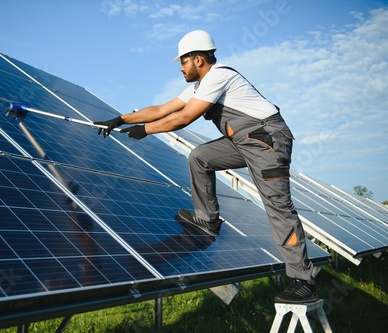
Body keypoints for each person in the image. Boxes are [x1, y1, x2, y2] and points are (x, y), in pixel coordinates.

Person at [94, 30, 318, 304]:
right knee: (200, 156)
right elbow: (164, 108)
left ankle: (303, 280)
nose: (180, 67)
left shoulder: (219, 76)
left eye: (183, 61)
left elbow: (184, 117)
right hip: (241, 141)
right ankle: (208, 219)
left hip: (267, 141)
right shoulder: (199, 87)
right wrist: (120, 119)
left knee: (278, 207)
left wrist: (146, 130)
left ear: (198, 59)